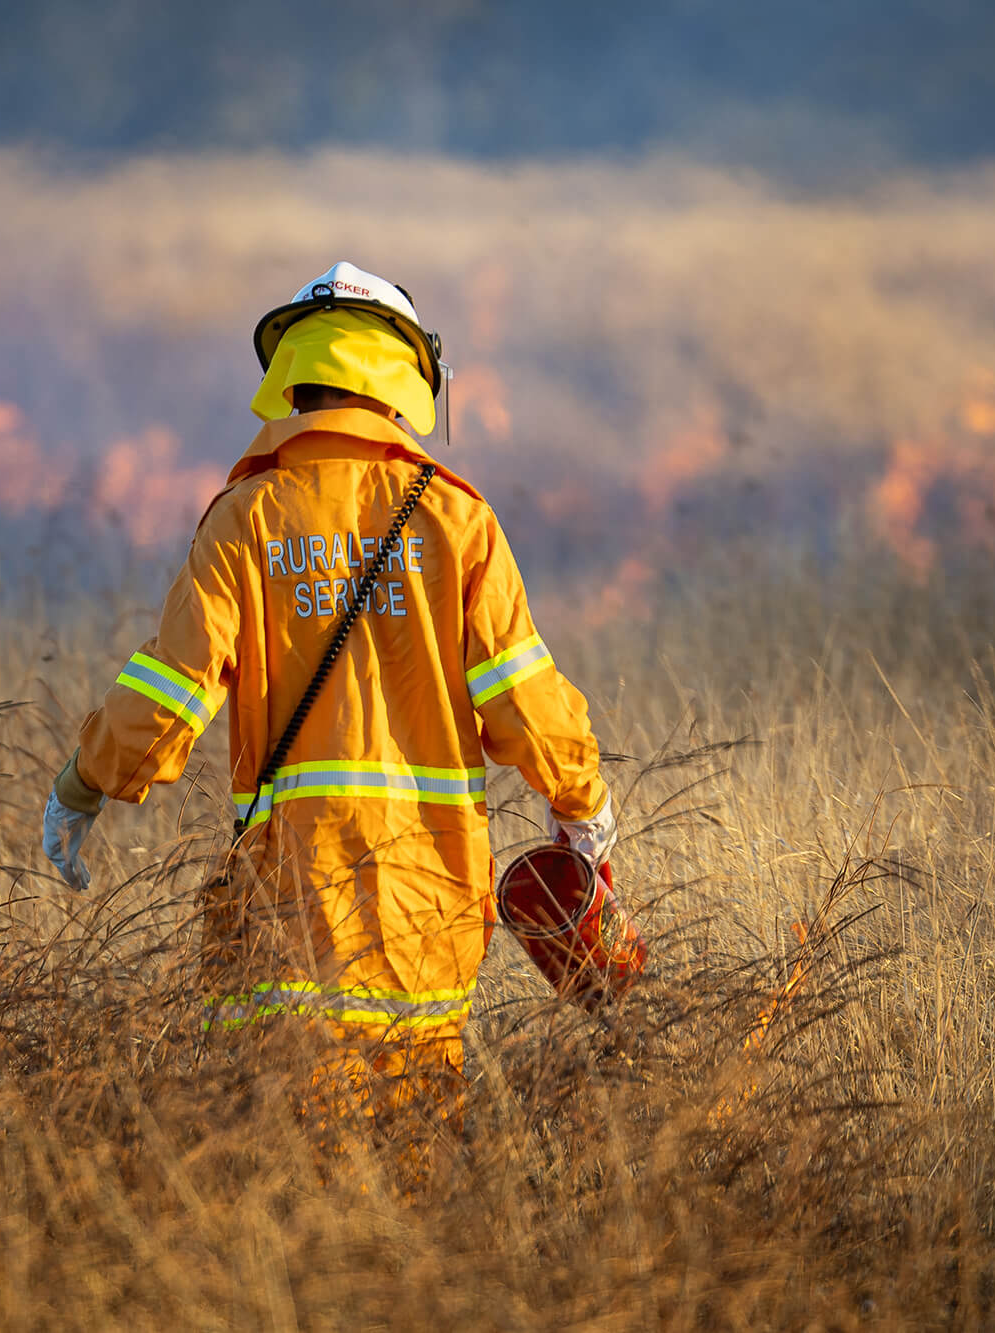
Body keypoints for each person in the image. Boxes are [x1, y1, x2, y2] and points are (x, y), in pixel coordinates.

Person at [41, 261, 616, 1093]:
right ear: (405, 382)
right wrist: (582, 806)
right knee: (411, 1180)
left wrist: (81, 784)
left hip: (282, 910)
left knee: (283, 1181)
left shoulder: (245, 517)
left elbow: (168, 695)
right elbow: (525, 701)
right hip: (423, 917)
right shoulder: (457, 520)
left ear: (295, 382)